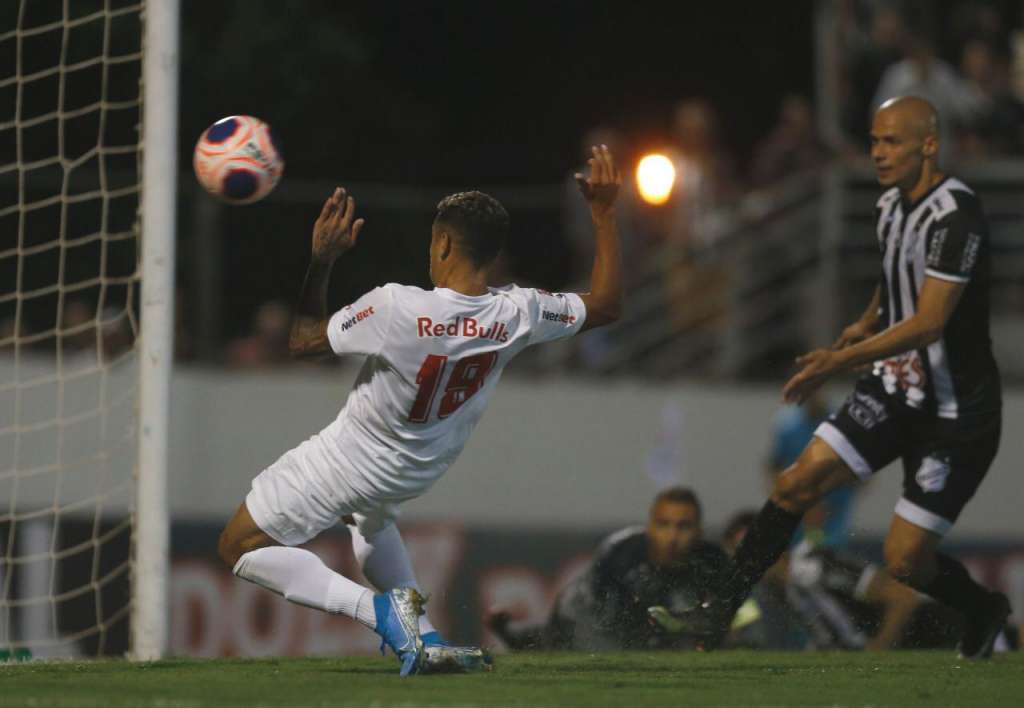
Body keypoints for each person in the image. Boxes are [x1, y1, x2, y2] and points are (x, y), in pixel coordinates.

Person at [216, 145, 624, 675]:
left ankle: (379, 610)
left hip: (343, 463)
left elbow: (302, 341)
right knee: (371, 521)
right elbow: (608, 304)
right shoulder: (519, 312)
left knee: (238, 547)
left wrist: (322, 261)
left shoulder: (396, 306)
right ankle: (425, 641)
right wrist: (604, 213)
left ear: (446, 243)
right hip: (412, 474)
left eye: (433, 241)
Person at [669, 96, 1009, 660]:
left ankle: (980, 608)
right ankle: (716, 612)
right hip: (896, 390)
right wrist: (865, 322)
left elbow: (928, 322)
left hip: (956, 415)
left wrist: (837, 362)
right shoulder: (890, 207)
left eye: (892, 141)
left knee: (905, 560)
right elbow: (898, 281)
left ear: (929, 144)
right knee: (793, 484)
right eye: (874, 140)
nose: (878, 152)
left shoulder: (956, 216)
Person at [487, 487, 730, 651]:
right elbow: (606, 627)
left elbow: (727, 618)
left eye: (683, 526)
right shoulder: (621, 554)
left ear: (699, 531)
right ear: (650, 527)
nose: (672, 536)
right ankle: (511, 634)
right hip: (584, 615)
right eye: (664, 525)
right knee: (555, 644)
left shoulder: (714, 562)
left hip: (643, 627)